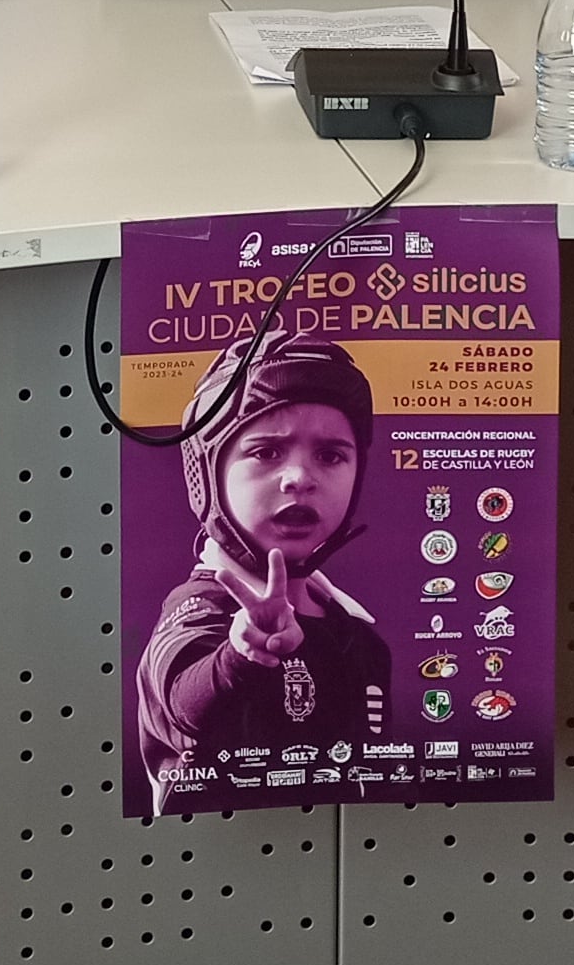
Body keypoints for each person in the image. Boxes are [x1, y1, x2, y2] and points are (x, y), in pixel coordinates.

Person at [133, 335, 394, 811]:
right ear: (206, 474)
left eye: (331, 455)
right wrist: (241, 653)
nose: (300, 477)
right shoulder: (199, 607)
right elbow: (184, 702)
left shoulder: (361, 638)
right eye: (267, 452)